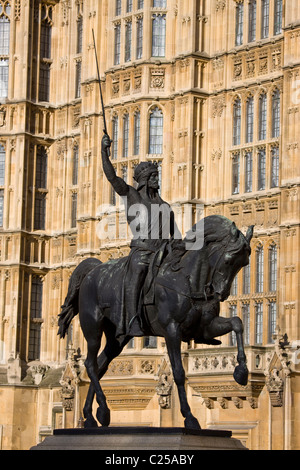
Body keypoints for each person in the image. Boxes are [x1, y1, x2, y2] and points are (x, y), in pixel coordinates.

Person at [101, 133, 178, 337]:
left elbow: (176, 236)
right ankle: (133, 318)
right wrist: (103, 152)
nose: (156, 179)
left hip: (163, 254)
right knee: (138, 272)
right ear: (144, 180)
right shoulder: (133, 197)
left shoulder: (165, 206)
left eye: (157, 176)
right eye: (153, 176)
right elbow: (112, 178)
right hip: (142, 252)